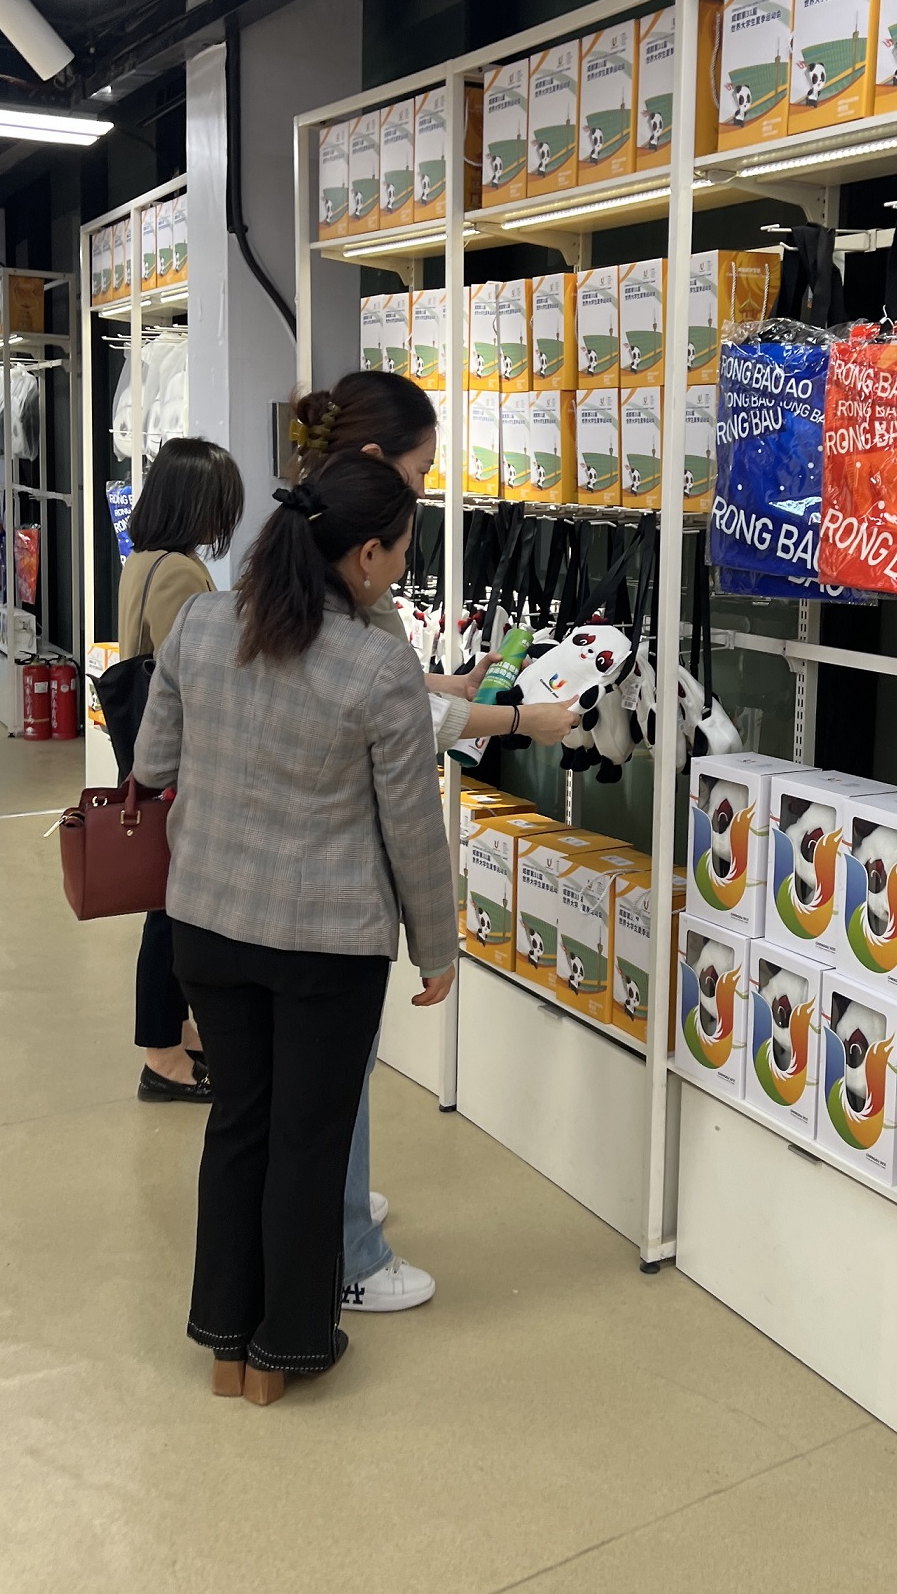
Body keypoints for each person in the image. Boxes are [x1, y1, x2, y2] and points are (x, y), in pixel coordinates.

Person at [134, 453, 456, 1404]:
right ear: (364, 556)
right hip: (326, 942)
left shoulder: (201, 623)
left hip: (207, 923)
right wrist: (435, 950)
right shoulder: (378, 665)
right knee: (308, 1141)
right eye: (401, 550)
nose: (401, 567)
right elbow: (411, 826)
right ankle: (286, 1349)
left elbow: (152, 763)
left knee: (239, 1122)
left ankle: (224, 1342)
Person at [289, 372, 578, 1313]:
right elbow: (390, 722)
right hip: (334, 884)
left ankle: (332, 1216)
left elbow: (378, 691)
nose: (422, 490)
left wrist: (443, 687)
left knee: (323, 1078)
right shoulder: (345, 574)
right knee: (341, 1069)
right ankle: (346, 1250)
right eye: (418, 472)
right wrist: (517, 719)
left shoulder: (299, 556)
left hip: (270, 893)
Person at [119, 436, 244, 1104]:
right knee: (170, 910)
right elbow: (187, 677)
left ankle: (173, 1029)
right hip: (177, 763)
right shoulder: (179, 574)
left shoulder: (144, 559)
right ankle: (160, 1054)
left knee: (167, 902)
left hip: (153, 756)